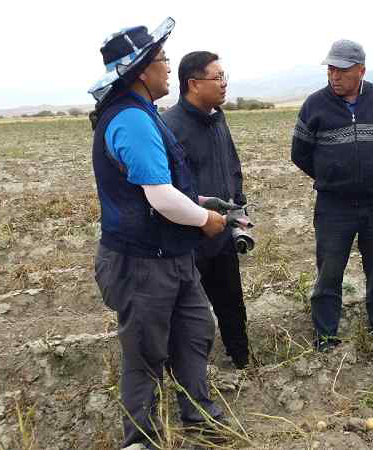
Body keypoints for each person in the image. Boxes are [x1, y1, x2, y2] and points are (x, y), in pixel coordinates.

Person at [88, 19, 240, 447]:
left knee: (194, 332)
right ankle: (140, 437)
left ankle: (198, 416)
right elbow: (160, 199)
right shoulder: (132, 121)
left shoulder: (144, 115)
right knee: (144, 352)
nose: (167, 67)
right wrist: (204, 220)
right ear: (141, 71)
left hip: (171, 256)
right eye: (162, 60)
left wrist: (200, 203)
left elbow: (169, 190)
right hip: (141, 262)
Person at [291, 39, 373, 351]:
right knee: (328, 273)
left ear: (361, 70)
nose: (334, 75)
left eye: (342, 69)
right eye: (330, 68)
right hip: (333, 207)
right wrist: (331, 178)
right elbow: (299, 154)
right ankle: (326, 337)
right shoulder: (314, 105)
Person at [162, 51, 252, 370]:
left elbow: (232, 165)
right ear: (194, 84)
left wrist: (238, 206)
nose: (224, 84)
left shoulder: (218, 118)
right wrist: (199, 219)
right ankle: (189, 375)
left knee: (232, 305)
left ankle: (242, 362)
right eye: (218, 78)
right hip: (188, 241)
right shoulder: (168, 126)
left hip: (222, 233)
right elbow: (166, 189)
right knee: (188, 315)